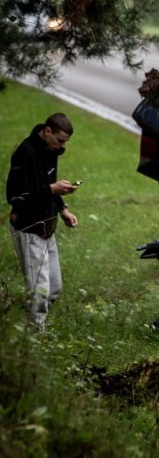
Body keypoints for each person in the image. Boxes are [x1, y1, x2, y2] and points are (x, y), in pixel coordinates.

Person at [6, 112, 79, 330]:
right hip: (30, 228)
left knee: (53, 288)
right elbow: (15, 197)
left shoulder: (51, 149)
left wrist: (63, 209)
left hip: (48, 227)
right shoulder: (25, 153)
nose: (62, 146)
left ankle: (31, 320)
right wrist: (51, 189)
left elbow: (49, 184)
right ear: (47, 131)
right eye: (60, 140)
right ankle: (33, 343)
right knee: (40, 293)